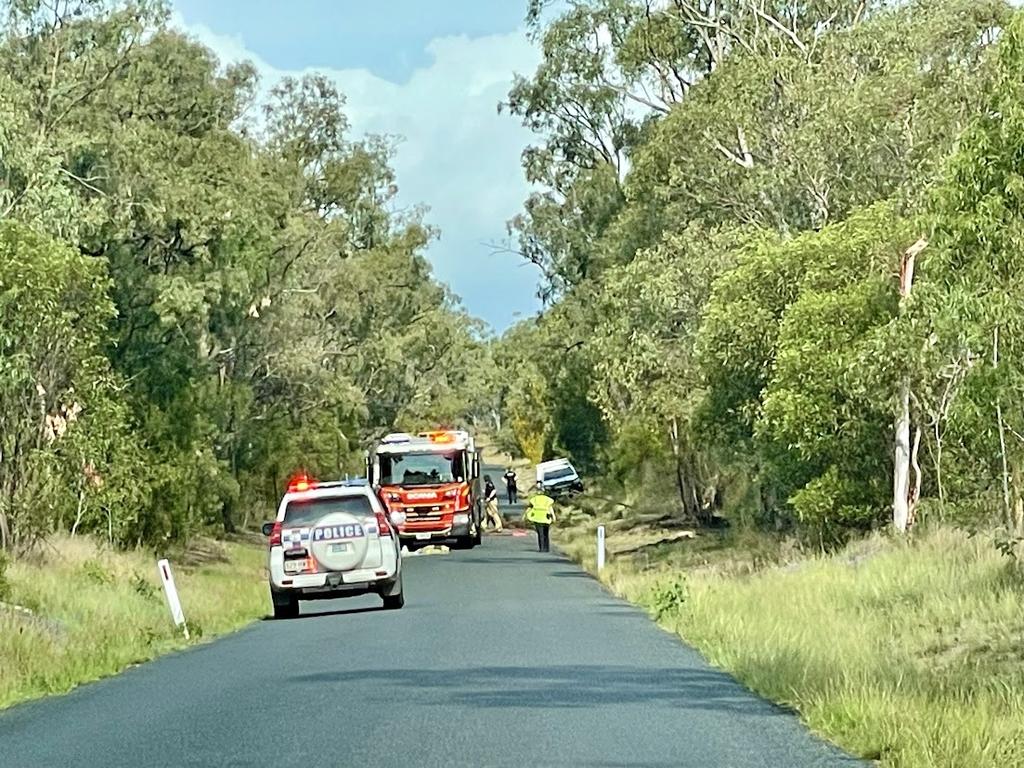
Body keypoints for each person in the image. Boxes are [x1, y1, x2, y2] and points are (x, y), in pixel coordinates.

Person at [524, 487, 556, 552]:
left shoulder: (534, 499)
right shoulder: (547, 499)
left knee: (540, 534)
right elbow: (550, 508)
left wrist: (525, 516)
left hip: (537, 518)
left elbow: (529, 508)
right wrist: (553, 516)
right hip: (546, 518)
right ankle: (546, 548)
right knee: (546, 534)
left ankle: (542, 548)